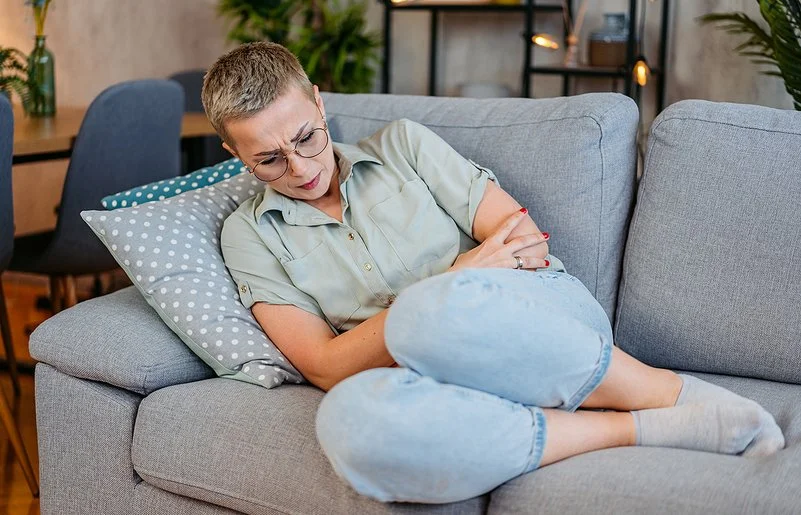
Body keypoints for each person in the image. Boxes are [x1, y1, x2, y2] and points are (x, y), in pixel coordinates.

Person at [202, 42, 785, 504]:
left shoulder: (404, 146)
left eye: (307, 137)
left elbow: (520, 236)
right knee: (350, 424)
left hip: (533, 316)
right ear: (234, 153)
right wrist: (453, 275)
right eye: (269, 159)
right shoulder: (248, 236)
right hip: (426, 372)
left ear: (321, 105)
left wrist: (455, 292)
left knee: (430, 315)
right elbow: (326, 366)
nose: (301, 168)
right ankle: (628, 427)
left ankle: (671, 393)